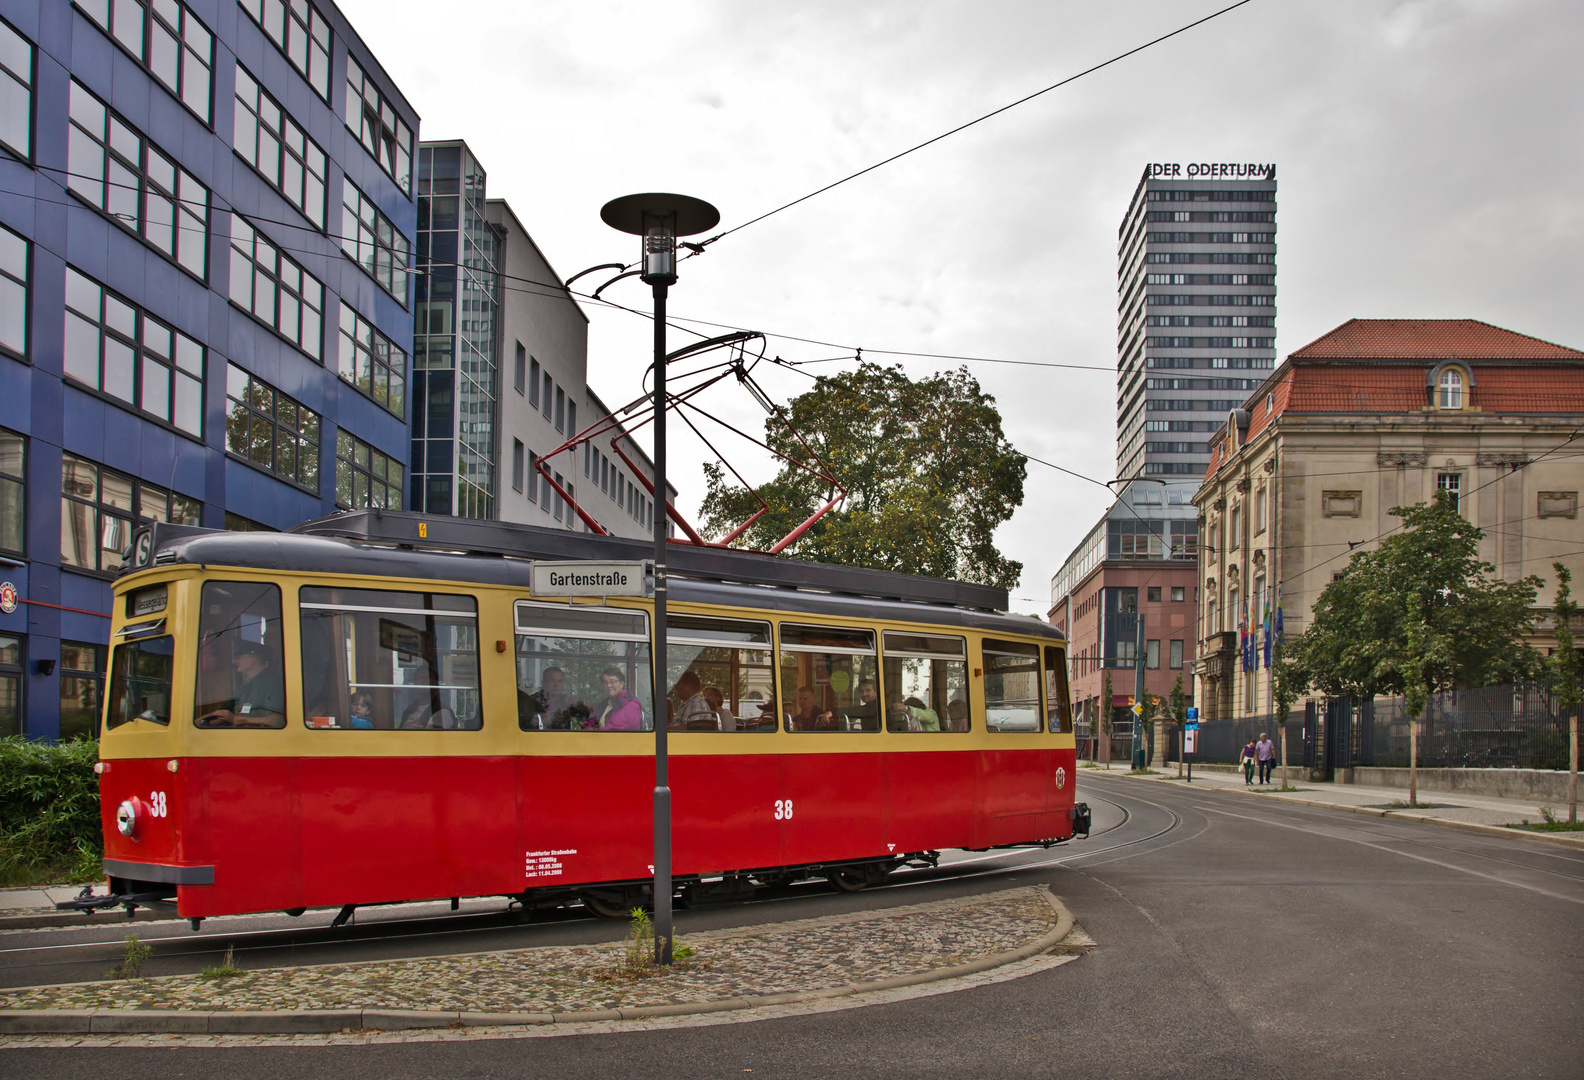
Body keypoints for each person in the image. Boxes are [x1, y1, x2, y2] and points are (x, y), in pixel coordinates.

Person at [197, 641, 284, 728]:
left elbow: (276, 721)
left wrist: (236, 719)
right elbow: (222, 715)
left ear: (254, 658)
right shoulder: (243, 688)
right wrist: (192, 725)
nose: (235, 661)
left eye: (239, 657)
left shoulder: (273, 683)